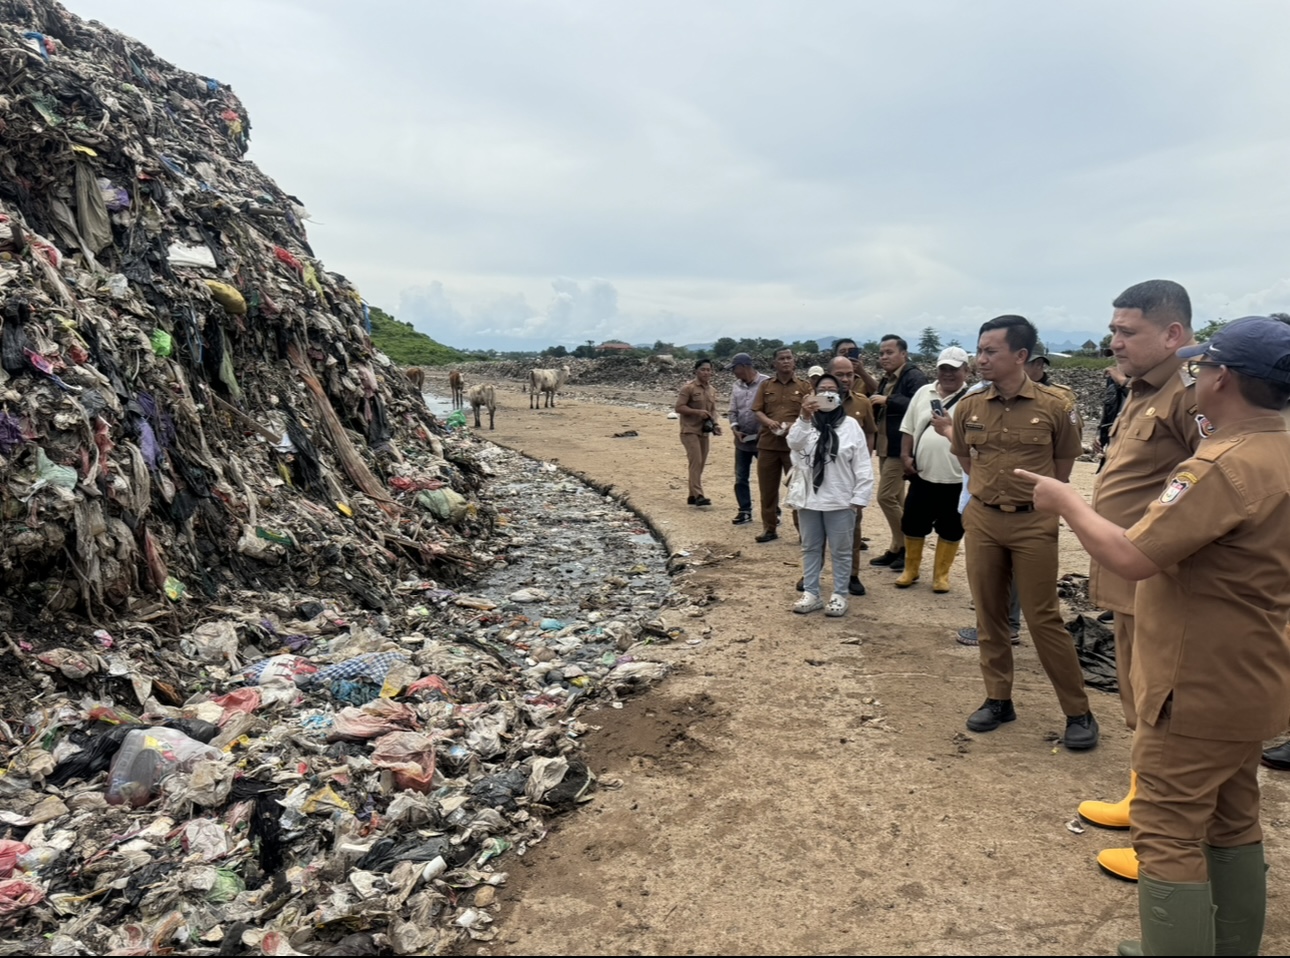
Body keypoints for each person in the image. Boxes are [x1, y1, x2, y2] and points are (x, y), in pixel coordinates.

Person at [1017, 316, 1290, 956]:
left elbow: (1132, 556)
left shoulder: (1223, 466)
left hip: (1194, 684)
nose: (1195, 378)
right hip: (1255, 676)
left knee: (1166, 832)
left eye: (1201, 368)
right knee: (1233, 817)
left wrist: (1068, 501)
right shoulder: (1281, 452)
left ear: (1223, 378)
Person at [1073, 280, 1201, 884]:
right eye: (1113, 328)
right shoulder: (1143, 387)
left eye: (1127, 331)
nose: (1113, 341)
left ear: (1172, 333)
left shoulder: (1192, 394)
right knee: (1134, 690)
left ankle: (1165, 839)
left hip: (1162, 578)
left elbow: (1215, 487)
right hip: (1128, 577)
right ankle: (1138, 800)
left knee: (1162, 702)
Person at [947, 315, 1097, 749]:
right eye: (979, 351)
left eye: (990, 351)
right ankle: (998, 699)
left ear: (1020, 356)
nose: (981, 359)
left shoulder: (1055, 406)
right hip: (984, 519)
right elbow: (965, 456)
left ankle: (1078, 711)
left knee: (1043, 617)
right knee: (989, 615)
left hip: (1034, 522)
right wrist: (987, 495)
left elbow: (1063, 467)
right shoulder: (970, 406)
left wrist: (1031, 502)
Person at [788, 372, 874, 615]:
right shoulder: (805, 424)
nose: (827, 394)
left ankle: (839, 594)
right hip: (810, 499)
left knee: (841, 550)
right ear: (813, 395)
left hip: (840, 499)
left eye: (832, 390)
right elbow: (793, 444)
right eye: (822, 389)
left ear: (840, 395)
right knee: (811, 547)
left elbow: (863, 463)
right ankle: (812, 593)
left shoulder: (851, 426)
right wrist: (804, 417)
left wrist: (859, 498)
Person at [894, 346, 971, 592]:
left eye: (954, 369)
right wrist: (905, 455)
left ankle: (941, 575)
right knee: (913, 522)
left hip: (956, 478)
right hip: (922, 473)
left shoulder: (973, 399)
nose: (948, 374)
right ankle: (911, 570)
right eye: (943, 369)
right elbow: (908, 427)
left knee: (951, 527)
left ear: (966, 371)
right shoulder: (922, 392)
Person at [869, 335, 928, 571]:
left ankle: (905, 547)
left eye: (889, 352)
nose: (884, 357)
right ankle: (898, 547)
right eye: (882, 353)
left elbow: (920, 405)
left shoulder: (913, 376)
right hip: (886, 445)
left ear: (904, 353)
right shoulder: (888, 377)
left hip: (900, 448)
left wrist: (888, 400)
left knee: (885, 497)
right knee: (898, 498)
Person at [751, 347, 808, 543]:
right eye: (781, 359)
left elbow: (812, 412)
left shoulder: (805, 387)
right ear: (774, 363)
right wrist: (768, 421)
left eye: (789, 358)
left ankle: (803, 532)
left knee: (798, 490)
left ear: (794, 362)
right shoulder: (766, 386)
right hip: (768, 445)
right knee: (767, 491)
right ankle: (769, 529)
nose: (785, 361)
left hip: (794, 449)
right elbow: (757, 410)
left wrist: (796, 424)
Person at [726, 353, 769, 526]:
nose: (734, 373)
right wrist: (735, 428)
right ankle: (744, 510)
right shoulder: (736, 386)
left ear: (743, 366)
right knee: (740, 477)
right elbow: (732, 411)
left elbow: (770, 411)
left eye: (734, 369)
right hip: (742, 441)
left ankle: (773, 512)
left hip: (762, 440)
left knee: (767, 479)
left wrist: (762, 431)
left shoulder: (766, 383)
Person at [674, 357, 721, 506]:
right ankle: (699, 495)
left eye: (708, 370)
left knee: (700, 464)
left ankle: (692, 495)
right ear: (696, 371)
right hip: (689, 430)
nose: (706, 372)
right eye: (703, 369)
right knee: (696, 462)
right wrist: (697, 412)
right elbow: (679, 407)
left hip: (704, 431)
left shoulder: (712, 390)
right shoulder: (688, 388)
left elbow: (713, 410)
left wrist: (716, 425)